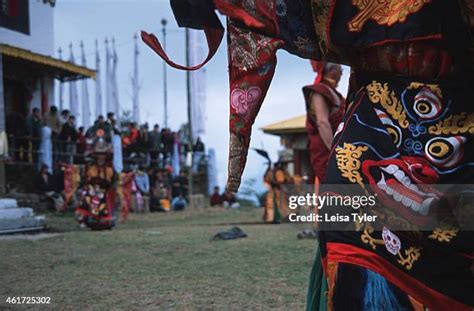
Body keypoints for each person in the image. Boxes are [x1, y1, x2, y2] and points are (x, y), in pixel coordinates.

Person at [147, 3, 474, 309]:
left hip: (450, 135)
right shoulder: (319, 92)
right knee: (351, 243)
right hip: (370, 149)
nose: (333, 74)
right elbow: (319, 120)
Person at [303, 62, 345, 183]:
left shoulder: (336, 94)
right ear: (331, 71)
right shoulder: (319, 91)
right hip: (326, 150)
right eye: (339, 69)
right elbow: (322, 123)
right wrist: (334, 151)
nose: (342, 73)